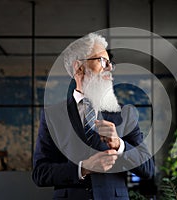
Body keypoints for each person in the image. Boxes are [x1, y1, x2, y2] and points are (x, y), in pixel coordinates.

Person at [32, 33, 154, 200]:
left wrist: (119, 145)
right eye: (102, 61)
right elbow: (40, 173)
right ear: (79, 67)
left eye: (110, 63)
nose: (109, 68)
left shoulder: (125, 113)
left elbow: (148, 168)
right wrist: (83, 168)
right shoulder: (52, 115)